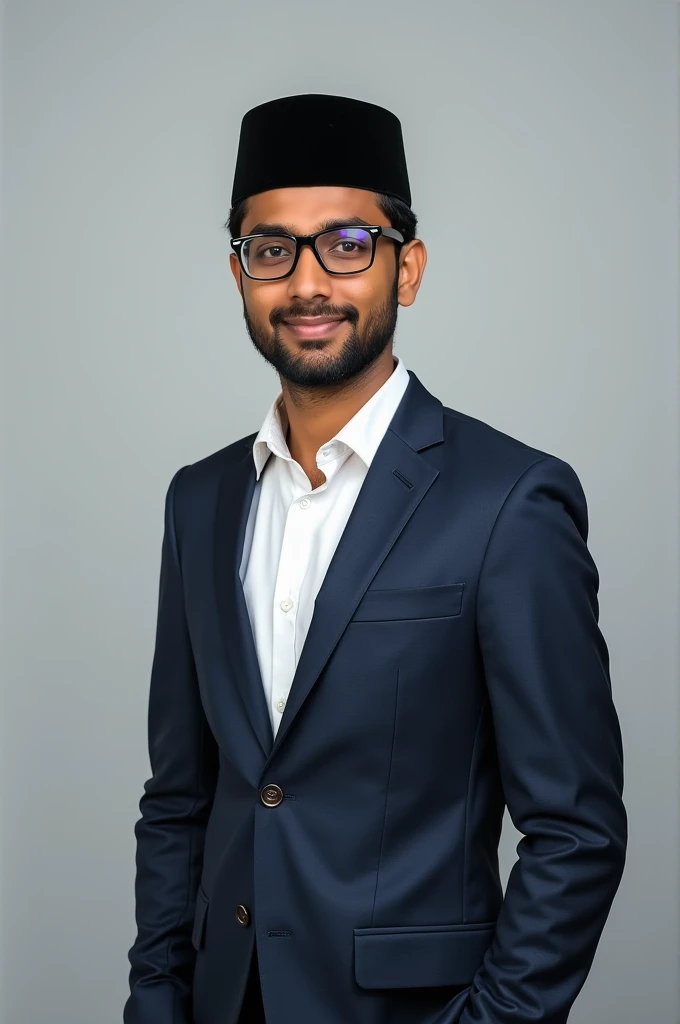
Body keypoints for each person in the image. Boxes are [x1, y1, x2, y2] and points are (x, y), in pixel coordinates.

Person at [123, 93, 627, 1024]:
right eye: (272, 249)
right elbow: (179, 798)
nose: (306, 281)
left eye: (347, 242)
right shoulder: (199, 501)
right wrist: (156, 998)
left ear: (408, 268)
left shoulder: (508, 501)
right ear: (239, 274)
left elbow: (576, 831)